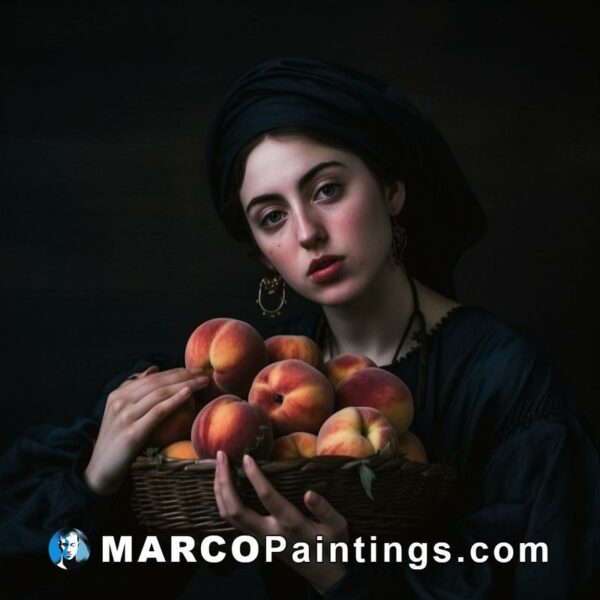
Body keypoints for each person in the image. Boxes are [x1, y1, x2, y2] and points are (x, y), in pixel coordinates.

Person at [0, 57, 598, 598]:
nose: (307, 231)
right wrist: (92, 486)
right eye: (272, 216)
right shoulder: (242, 379)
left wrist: (339, 574)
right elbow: (52, 566)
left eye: (328, 189)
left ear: (392, 191)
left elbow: (545, 579)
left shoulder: (504, 380)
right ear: (262, 254)